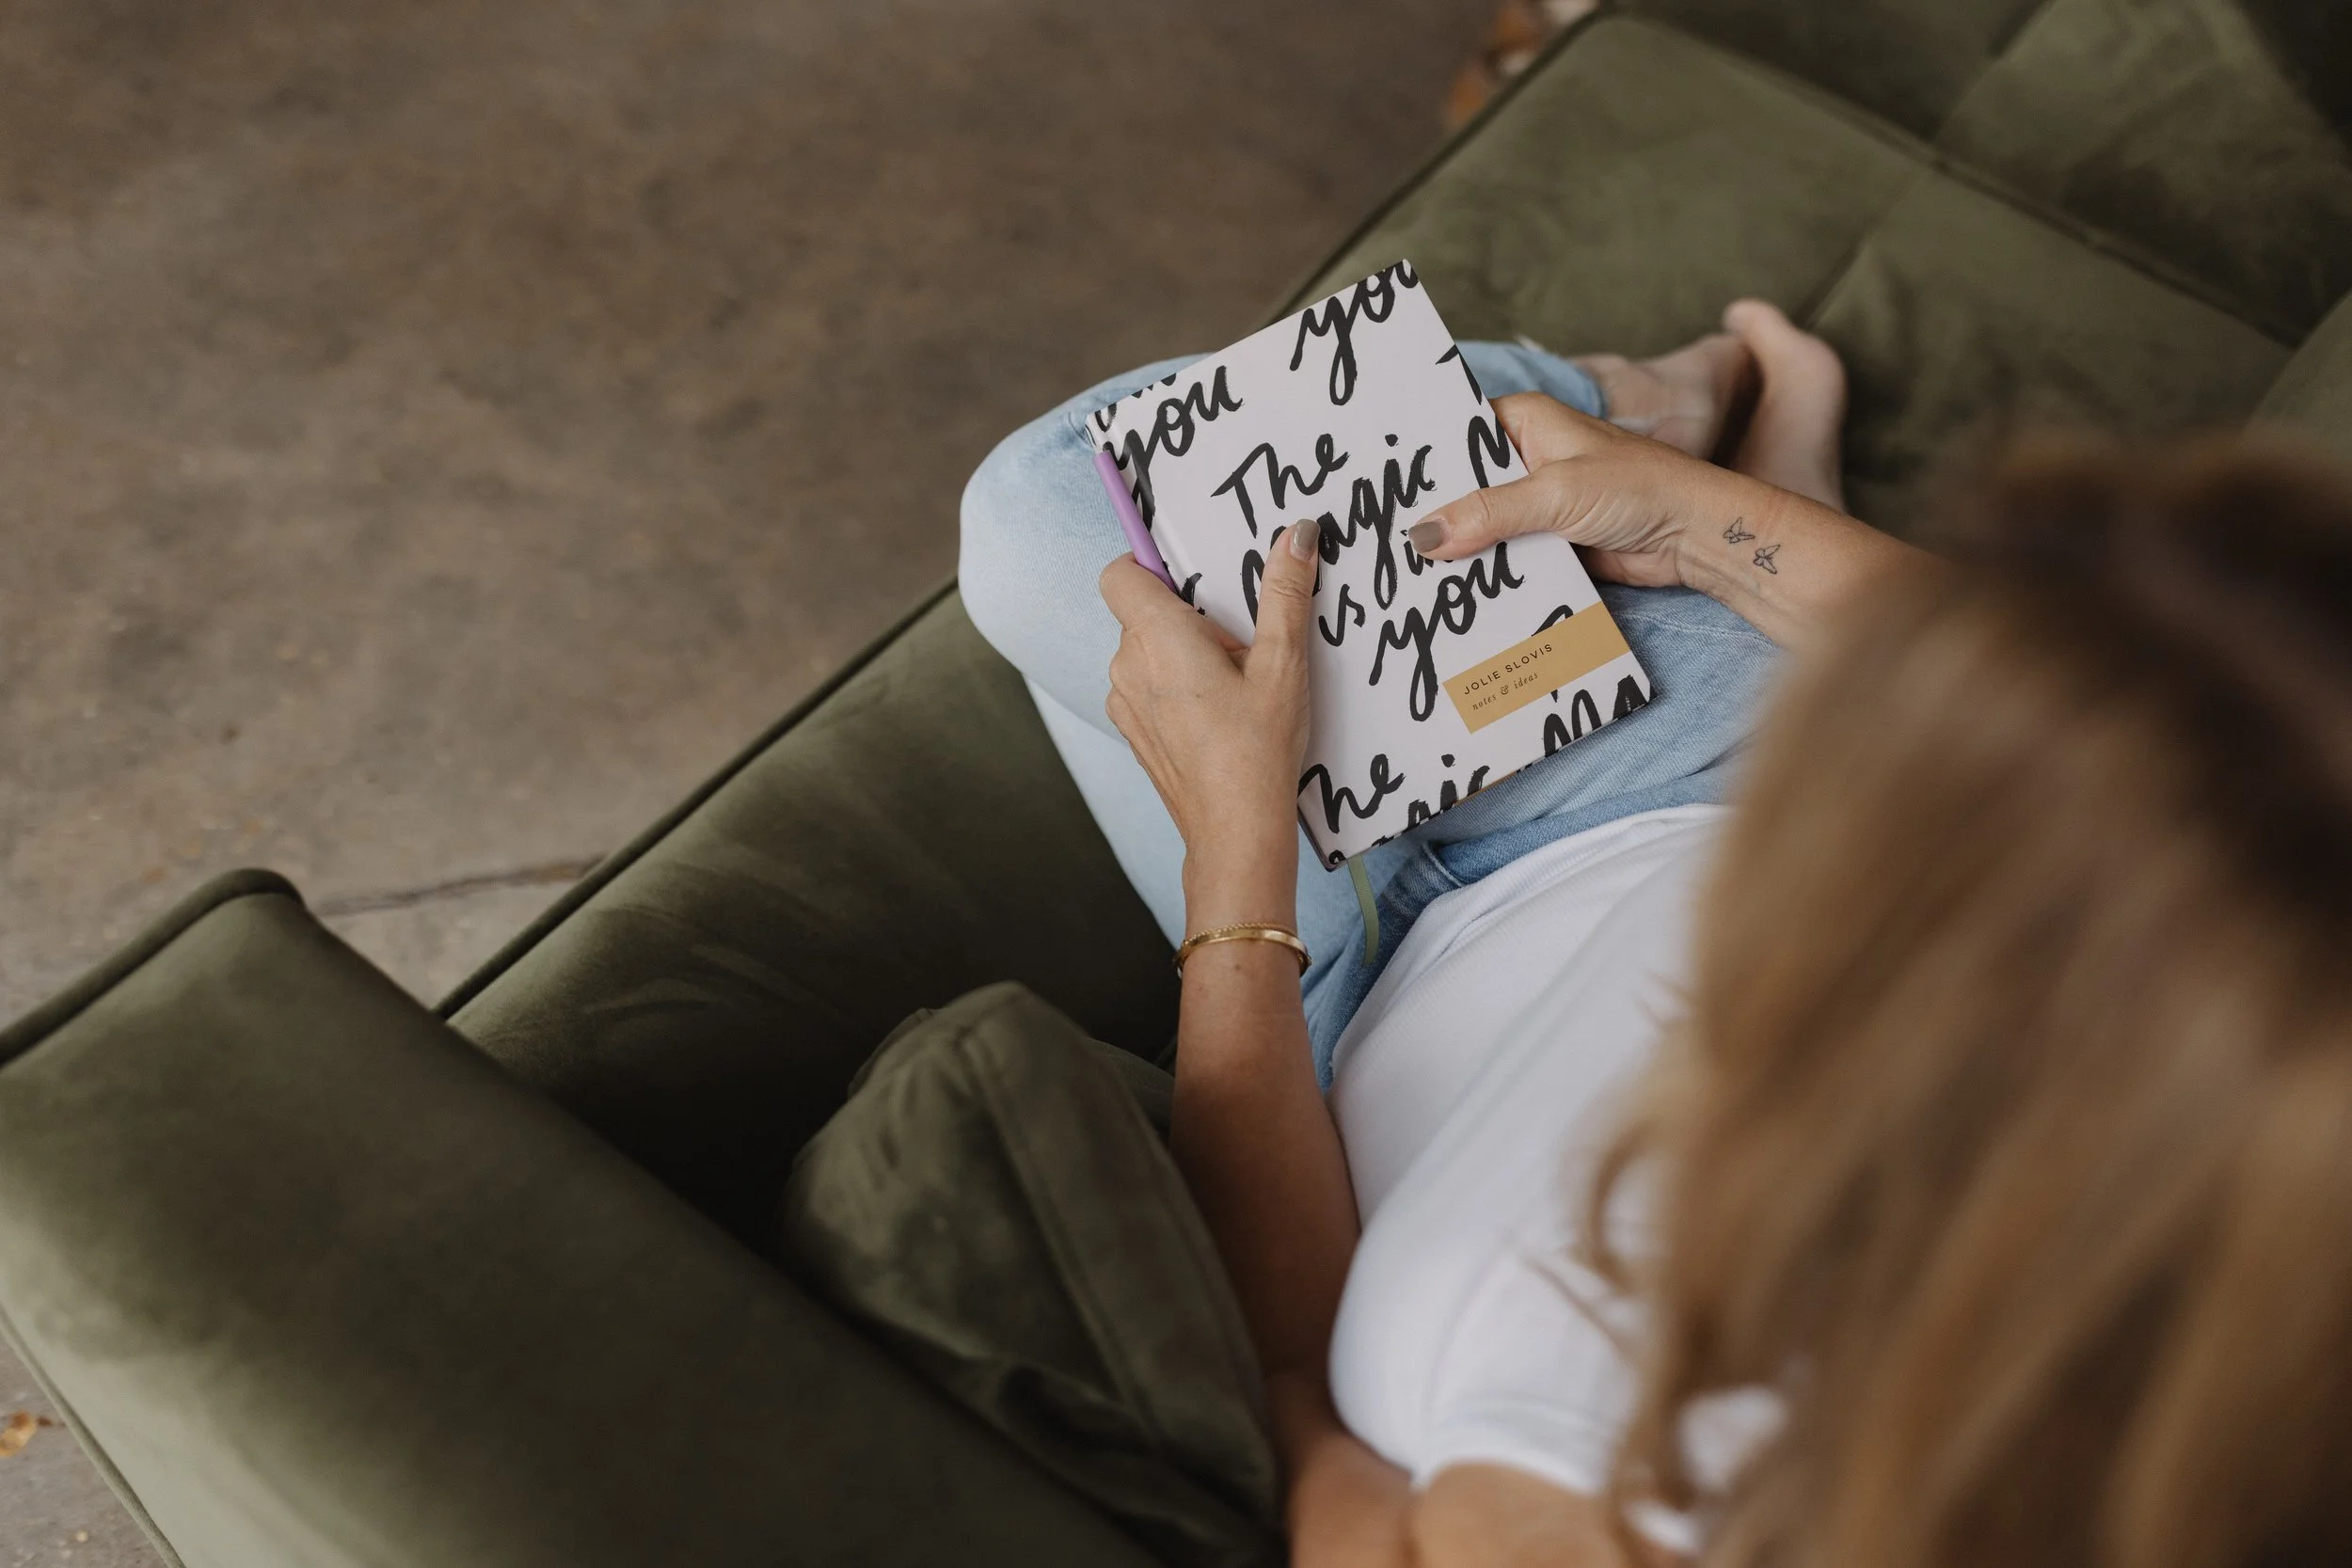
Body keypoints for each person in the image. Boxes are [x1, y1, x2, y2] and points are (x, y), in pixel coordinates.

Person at [959, 302, 2352, 1563]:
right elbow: (2029, 688)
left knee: (1046, 517)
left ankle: (1644, 415)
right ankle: (1679, 433)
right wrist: (1705, 523)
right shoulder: (2269, 973)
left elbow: (1287, 1397)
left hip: (1325, 1009)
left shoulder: (1644, 1499)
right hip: (1679, 793)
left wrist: (1239, 864)